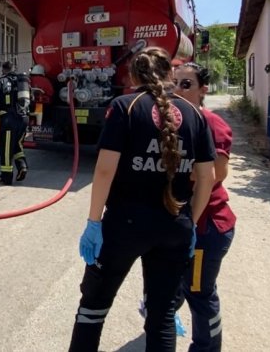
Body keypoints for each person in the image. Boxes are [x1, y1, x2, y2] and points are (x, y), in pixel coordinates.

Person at [70, 47, 216, 352]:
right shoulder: (194, 115)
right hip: (175, 227)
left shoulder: (124, 106)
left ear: (133, 76)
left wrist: (93, 222)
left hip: (125, 226)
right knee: (161, 317)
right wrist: (190, 223)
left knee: (93, 308)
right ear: (170, 74)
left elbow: (106, 169)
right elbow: (207, 178)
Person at [172, 61, 236, 352]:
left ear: (202, 90)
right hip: (186, 225)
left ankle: (207, 348)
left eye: (186, 84)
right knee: (183, 284)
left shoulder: (210, 122)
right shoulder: (174, 121)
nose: (177, 90)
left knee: (200, 292)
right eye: (173, 83)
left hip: (205, 228)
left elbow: (216, 174)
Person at [0, 61, 29, 185]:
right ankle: (22, 166)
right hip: (23, 119)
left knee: (6, 149)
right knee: (17, 144)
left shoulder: (0, 82)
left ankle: (6, 177)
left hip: (9, 121)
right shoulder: (22, 82)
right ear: (14, 69)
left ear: (3, 70)